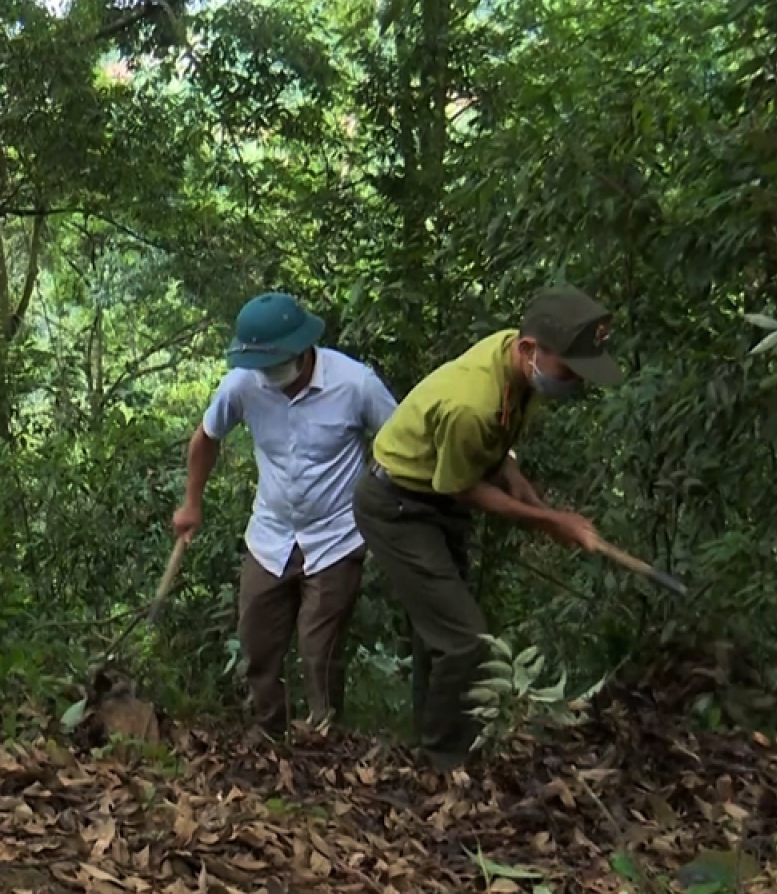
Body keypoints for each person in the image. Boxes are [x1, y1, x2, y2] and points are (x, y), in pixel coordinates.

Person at [352, 285, 621, 771]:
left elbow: (496, 447)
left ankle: (430, 746)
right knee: (466, 638)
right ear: (529, 350)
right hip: (398, 506)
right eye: (570, 369)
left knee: (440, 633)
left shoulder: (512, 360)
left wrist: (523, 487)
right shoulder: (469, 404)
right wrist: (550, 520)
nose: (575, 382)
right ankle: (442, 763)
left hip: (434, 498)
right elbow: (462, 487)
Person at [174, 292, 398, 734]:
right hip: (271, 534)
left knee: (319, 651)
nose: (268, 374)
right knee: (257, 641)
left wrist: (381, 499)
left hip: (336, 536)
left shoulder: (355, 384)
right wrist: (192, 502)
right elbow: (205, 438)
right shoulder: (242, 384)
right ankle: (269, 734)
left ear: (302, 348)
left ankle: (324, 739)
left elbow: (400, 443)